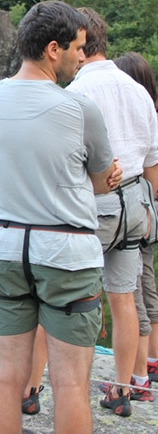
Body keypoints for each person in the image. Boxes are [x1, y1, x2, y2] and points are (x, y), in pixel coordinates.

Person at [0, 0, 121, 434]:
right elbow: (97, 179)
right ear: (53, 49)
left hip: (3, 249)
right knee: (70, 382)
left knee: (5, 379)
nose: (81, 55)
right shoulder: (79, 109)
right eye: (77, 47)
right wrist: (105, 180)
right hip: (65, 253)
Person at [66, 7, 158, 416]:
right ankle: (121, 390)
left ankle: (60, 387)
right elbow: (153, 163)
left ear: (81, 47)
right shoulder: (137, 88)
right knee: (124, 300)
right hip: (138, 204)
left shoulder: (76, 95)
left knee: (75, 296)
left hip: (96, 205)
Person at [110, 50, 158, 399]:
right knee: (146, 289)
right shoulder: (150, 113)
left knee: (132, 294)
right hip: (150, 214)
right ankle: (150, 364)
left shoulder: (128, 115)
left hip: (134, 212)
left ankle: (138, 377)